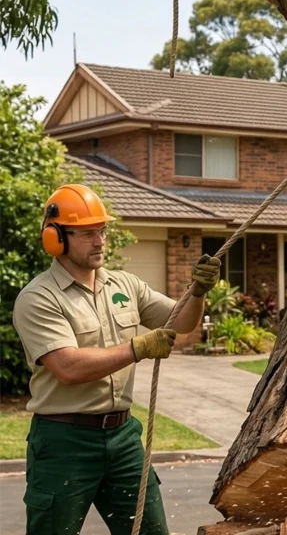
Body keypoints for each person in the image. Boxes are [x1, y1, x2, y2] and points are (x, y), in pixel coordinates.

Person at [12, 184, 221, 535]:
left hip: (124, 438)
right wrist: (137, 348)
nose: (100, 241)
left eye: (102, 230)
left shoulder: (125, 285)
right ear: (55, 238)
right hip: (65, 440)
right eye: (87, 233)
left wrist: (197, 294)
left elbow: (182, 321)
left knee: (150, 531)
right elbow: (67, 366)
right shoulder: (38, 298)